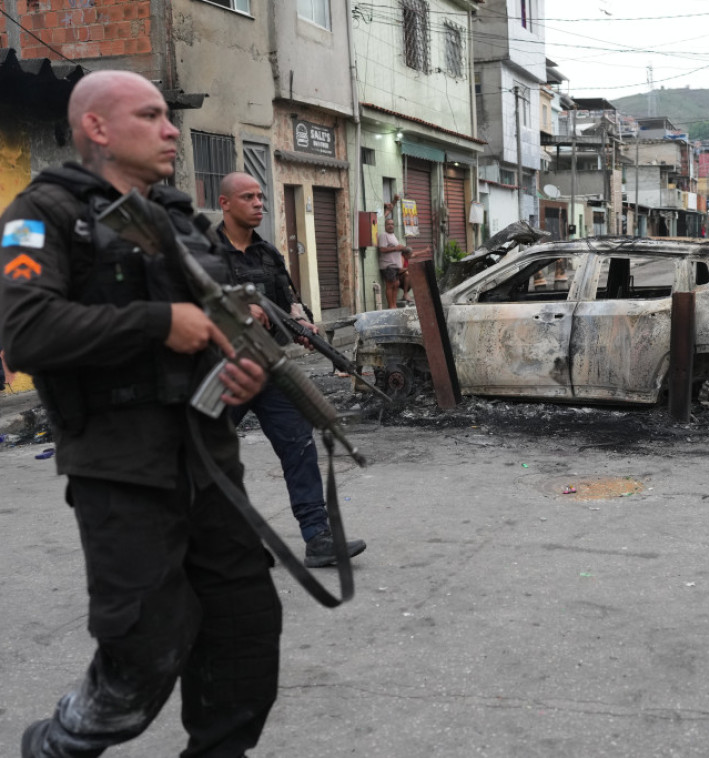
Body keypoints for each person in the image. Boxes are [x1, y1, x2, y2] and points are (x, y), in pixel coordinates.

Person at [1, 70, 280, 756]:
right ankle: (55, 746)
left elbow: (220, 327)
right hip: (121, 471)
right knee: (143, 654)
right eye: (151, 116)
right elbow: (26, 332)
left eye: (168, 116)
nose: (171, 129)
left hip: (210, 463)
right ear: (97, 127)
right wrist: (157, 322)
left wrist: (239, 370)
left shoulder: (181, 220)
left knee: (245, 643)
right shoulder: (37, 217)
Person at [216, 171, 367, 566]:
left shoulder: (268, 254)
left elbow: (291, 301)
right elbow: (185, 307)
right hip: (223, 370)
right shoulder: (203, 254)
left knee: (299, 448)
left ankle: (318, 538)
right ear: (225, 203)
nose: (258, 203)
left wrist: (303, 325)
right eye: (248, 197)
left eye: (261, 196)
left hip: (271, 368)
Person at [377, 217, 412, 309]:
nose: (391, 226)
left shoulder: (393, 236)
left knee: (396, 284)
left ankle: (394, 305)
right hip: (388, 265)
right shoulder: (383, 235)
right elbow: (382, 249)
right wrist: (396, 248)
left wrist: (403, 248)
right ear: (385, 226)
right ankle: (391, 305)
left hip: (395, 266)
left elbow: (397, 249)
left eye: (392, 224)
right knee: (390, 285)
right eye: (388, 224)